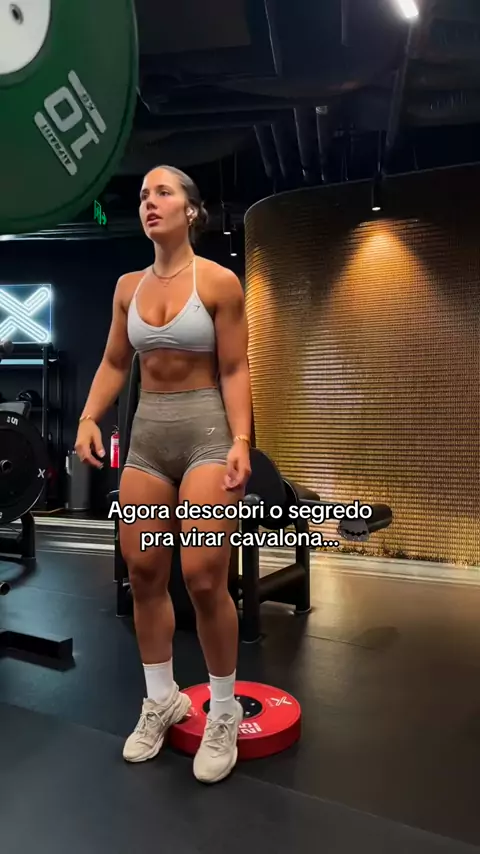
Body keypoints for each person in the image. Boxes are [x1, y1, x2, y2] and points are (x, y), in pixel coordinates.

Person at [75, 164, 252, 784]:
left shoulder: (220, 281)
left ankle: (223, 710)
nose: (149, 202)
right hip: (148, 440)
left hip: (206, 435)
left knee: (203, 576)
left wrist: (242, 440)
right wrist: (89, 417)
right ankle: (163, 699)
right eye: (144, 194)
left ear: (191, 210)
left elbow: (234, 368)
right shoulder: (128, 287)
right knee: (144, 573)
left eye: (164, 192)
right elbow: (113, 361)